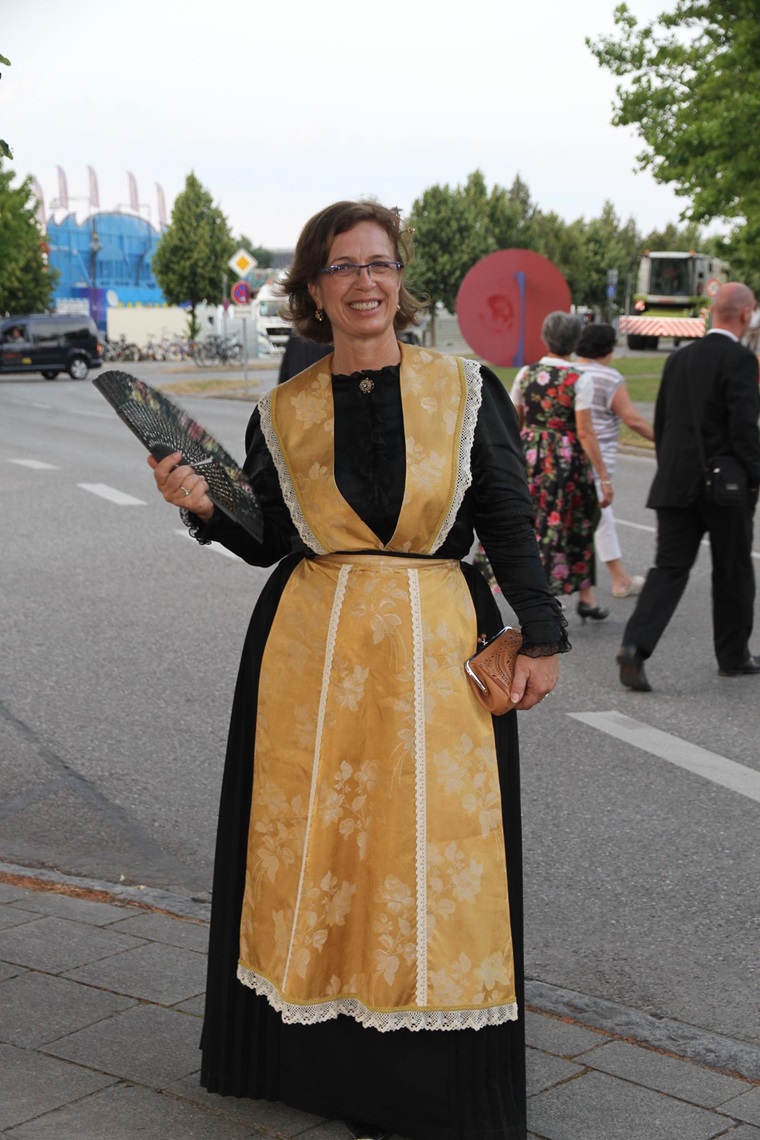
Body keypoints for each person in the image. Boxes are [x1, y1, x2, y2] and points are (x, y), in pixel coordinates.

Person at [149, 200, 568, 1140]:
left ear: (400, 280)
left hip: (438, 650)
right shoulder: (282, 409)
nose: (365, 281)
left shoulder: (464, 388)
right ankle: (313, 1064)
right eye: (343, 266)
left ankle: (431, 1087)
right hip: (311, 657)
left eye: (379, 263)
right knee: (317, 850)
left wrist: (540, 635)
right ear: (314, 287)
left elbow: (507, 516)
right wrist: (201, 507)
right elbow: (267, 540)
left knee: (434, 850)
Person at [617, 282, 760, 691]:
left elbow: (664, 422)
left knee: (669, 568)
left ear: (713, 311)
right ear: (746, 314)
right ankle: (733, 655)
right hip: (724, 486)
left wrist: (670, 468)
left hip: (675, 482)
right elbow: (744, 427)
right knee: (732, 569)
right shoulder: (740, 359)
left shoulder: (679, 358)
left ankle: (634, 646)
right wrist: (754, 474)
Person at [508, 311, 613, 623]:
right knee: (577, 523)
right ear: (575, 341)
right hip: (566, 462)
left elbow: (514, 421)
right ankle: (580, 596)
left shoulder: (526, 373)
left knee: (537, 525)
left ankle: (555, 595)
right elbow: (585, 432)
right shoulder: (579, 379)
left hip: (530, 457)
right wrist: (604, 477)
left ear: (545, 337)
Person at [575, 322, 654, 598]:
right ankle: (619, 580)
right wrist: (660, 440)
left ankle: (592, 588)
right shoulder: (610, 377)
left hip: (566, 458)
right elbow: (631, 419)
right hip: (597, 459)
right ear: (607, 349)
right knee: (602, 518)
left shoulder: (569, 371)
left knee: (577, 521)